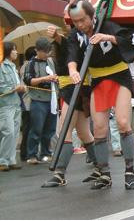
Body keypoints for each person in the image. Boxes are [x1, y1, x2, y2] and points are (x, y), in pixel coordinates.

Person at [67, 0, 134, 190]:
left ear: (92, 16)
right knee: (99, 128)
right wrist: (73, 71)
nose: (80, 24)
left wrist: (107, 37)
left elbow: (131, 41)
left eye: (83, 20)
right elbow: (72, 55)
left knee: (123, 122)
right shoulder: (75, 35)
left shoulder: (106, 25)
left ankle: (130, 171)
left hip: (119, 76)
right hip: (98, 81)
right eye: (75, 21)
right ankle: (104, 173)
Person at [42, 22, 97, 188]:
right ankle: (101, 167)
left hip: (73, 89)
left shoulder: (74, 39)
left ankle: (59, 173)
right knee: (83, 132)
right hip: (77, 88)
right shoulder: (79, 40)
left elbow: (63, 42)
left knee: (64, 130)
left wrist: (57, 36)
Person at [24, 37, 58, 165]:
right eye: (45, 51)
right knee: (36, 128)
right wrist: (45, 79)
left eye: (48, 51)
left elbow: (56, 75)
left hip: (52, 99)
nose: (47, 54)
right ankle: (31, 154)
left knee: (50, 129)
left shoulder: (50, 62)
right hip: (37, 99)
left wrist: (54, 78)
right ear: (37, 50)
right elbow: (28, 81)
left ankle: (46, 153)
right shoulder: (30, 64)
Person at [0, 42, 26, 171]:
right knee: (8, 131)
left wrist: (21, 87)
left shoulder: (14, 68)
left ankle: (11, 159)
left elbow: (17, 85)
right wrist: (13, 88)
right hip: (5, 104)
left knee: (15, 132)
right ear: (7, 51)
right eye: (14, 50)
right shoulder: (1, 66)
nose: (16, 52)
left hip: (16, 103)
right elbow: (2, 87)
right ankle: (3, 160)